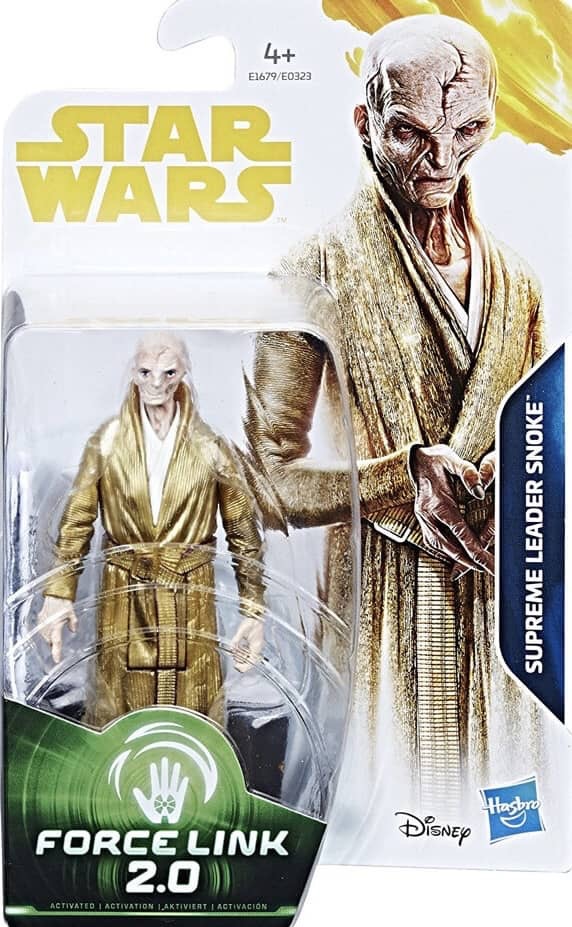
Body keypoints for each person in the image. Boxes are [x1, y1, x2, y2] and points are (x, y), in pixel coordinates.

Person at [243, 15, 545, 813]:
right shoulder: (312, 269)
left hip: (500, 635)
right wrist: (399, 478)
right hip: (375, 627)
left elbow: (549, 440)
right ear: (364, 122)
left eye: (467, 130)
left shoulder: (520, 284)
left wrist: (518, 486)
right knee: (372, 819)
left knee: (504, 828)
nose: (441, 160)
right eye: (411, 132)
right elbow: (263, 483)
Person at [38, 334, 265, 728]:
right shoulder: (107, 442)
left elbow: (243, 530)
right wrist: (58, 593)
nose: (157, 382)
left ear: (184, 373)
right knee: (116, 706)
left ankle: (199, 762)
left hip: (190, 593)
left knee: (195, 706)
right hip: (125, 592)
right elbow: (77, 520)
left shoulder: (210, 447)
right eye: (146, 372)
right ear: (133, 373)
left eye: (169, 372)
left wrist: (254, 608)